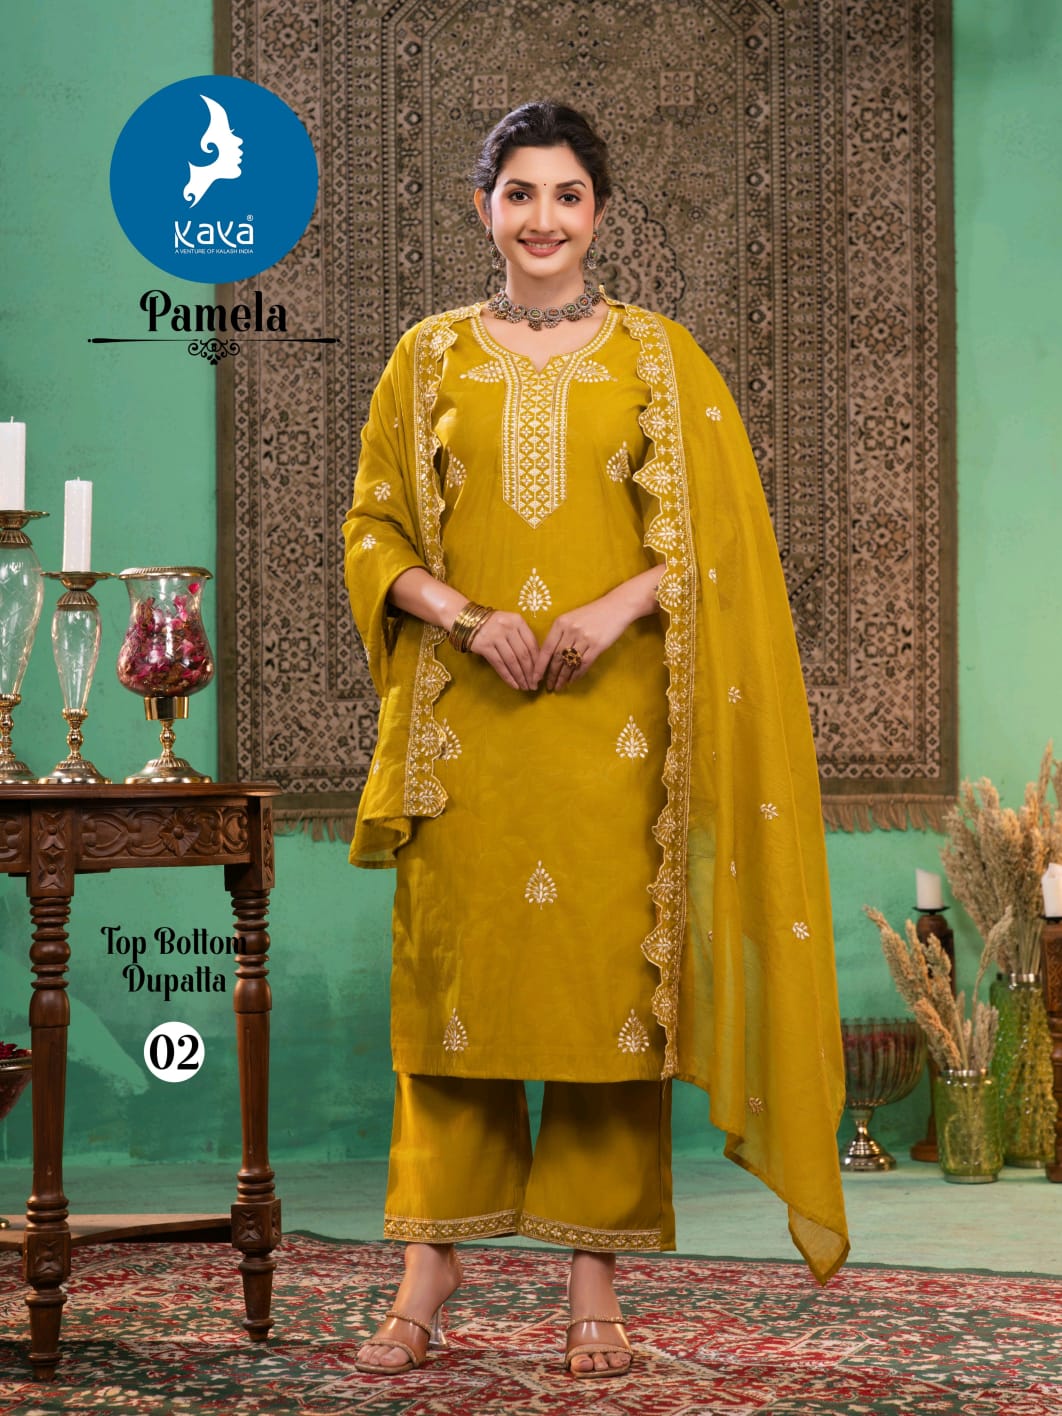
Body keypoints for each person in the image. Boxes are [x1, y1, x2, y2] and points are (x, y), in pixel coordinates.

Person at [343, 100, 849, 1379]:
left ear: (601, 213)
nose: (543, 219)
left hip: (616, 736)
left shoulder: (660, 361)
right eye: (520, 194)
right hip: (466, 738)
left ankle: (594, 1288)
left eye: (567, 195)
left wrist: (613, 605)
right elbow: (374, 533)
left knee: (609, 1006)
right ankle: (428, 1272)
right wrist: (465, 618)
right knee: (454, 1002)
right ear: (483, 209)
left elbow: (723, 549)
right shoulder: (426, 358)